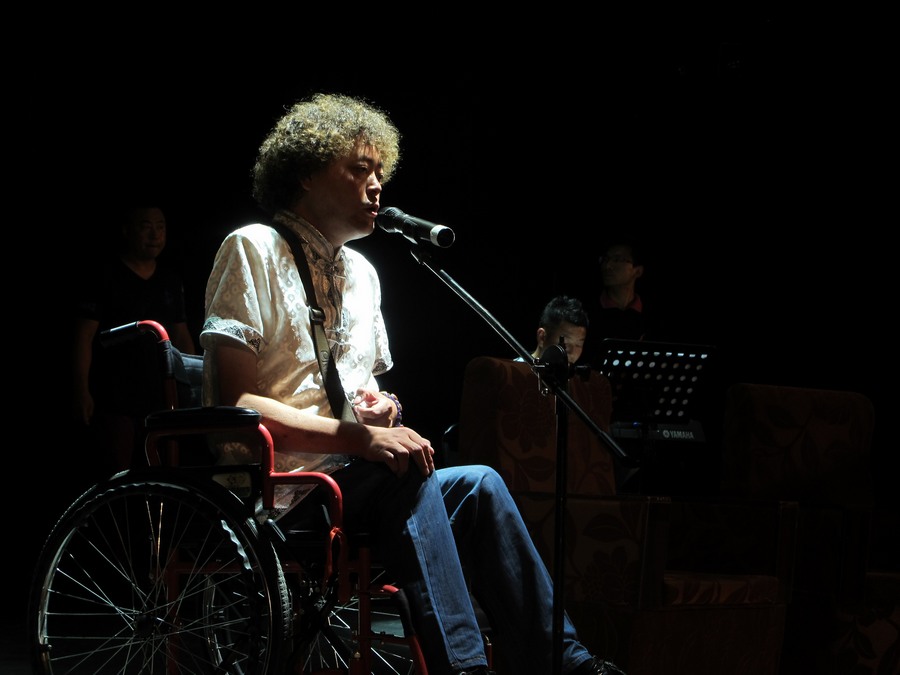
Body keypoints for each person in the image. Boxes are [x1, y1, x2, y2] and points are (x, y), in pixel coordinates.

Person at [200, 93, 624, 675]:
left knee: (479, 483)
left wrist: (380, 412)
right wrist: (364, 438)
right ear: (305, 173)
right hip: (279, 494)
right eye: (359, 168)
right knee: (401, 471)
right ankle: (466, 667)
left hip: (359, 485)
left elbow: (364, 395)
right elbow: (237, 403)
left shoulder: (364, 275)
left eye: (380, 170)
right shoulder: (253, 247)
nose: (377, 184)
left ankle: (567, 662)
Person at [72, 202, 196, 477]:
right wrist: (81, 389)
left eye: (160, 227)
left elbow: (181, 333)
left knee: (164, 474)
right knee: (118, 475)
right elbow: (83, 336)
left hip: (161, 396)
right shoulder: (105, 275)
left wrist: (194, 384)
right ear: (127, 231)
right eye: (146, 226)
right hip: (114, 398)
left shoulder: (170, 279)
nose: (155, 235)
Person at [518, 294, 589, 366]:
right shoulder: (515, 370)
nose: (572, 354)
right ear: (542, 337)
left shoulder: (571, 373)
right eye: (565, 344)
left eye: (579, 345)